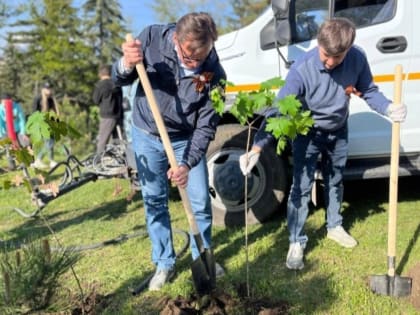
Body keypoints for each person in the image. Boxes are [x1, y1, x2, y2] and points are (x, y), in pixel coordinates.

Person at [239, 17, 407, 270]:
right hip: (307, 132)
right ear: (319, 45)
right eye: (325, 55)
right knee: (301, 186)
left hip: (339, 129)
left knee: (336, 177)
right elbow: (279, 111)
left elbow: (369, 91)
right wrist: (256, 148)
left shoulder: (357, 59)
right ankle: (297, 240)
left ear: (347, 50)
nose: (329, 62)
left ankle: (334, 226)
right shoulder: (302, 69)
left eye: (336, 58)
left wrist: (388, 107)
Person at [112, 12, 226, 291]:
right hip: (147, 134)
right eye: (189, 58)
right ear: (176, 39)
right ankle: (164, 262)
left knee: (199, 202)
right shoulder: (151, 38)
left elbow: (206, 126)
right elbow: (119, 79)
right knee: (154, 200)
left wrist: (187, 163)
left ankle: (203, 256)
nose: (196, 64)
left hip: (186, 138)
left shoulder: (214, 73)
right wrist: (126, 63)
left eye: (202, 56)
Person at [92, 64, 124, 154]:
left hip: (107, 116)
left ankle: (98, 161)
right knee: (118, 140)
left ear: (100, 74)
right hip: (118, 115)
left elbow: (95, 100)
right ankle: (120, 159)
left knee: (103, 140)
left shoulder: (100, 85)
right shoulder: (117, 84)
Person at [31, 82, 60, 169]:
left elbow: (54, 111)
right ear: (43, 89)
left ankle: (50, 160)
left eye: (50, 88)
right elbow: (34, 112)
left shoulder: (50, 99)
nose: (49, 90)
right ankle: (39, 160)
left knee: (51, 141)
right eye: (47, 88)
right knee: (49, 142)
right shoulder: (38, 98)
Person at [0, 94, 30, 170]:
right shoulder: (0, 109)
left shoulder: (17, 107)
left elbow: (21, 120)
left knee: (25, 143)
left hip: (18, 130)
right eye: (4, 101)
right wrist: (3, 135)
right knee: (9, 147)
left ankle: (25, 162)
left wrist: (23, 132)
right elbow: (1, 124)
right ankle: (12, 165)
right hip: (6, 132)